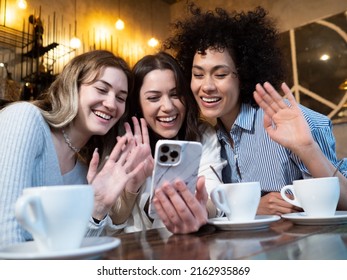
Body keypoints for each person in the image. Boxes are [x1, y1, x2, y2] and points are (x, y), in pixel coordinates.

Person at [162, 3, 347, 215]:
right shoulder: (213, 139)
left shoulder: (287, 121)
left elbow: (343, 204)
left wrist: (306, 148)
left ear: (244, 75)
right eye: (198, 74)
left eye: (220, 74)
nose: (207, 86)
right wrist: (253, 208)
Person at [0, 50, 151, 248]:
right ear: (73, 86)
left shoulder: (84, 172)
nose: (111, 104)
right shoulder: (25, 118)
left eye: (120, 98)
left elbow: (72, 250)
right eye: (101, 89)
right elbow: (5, 233)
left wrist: (98, 208)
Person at [109, 52, 224, 234]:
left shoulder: (202, 134)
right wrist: (135, 189)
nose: (168, 106)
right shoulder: (122, 141)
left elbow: (213, 193)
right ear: (138, 104)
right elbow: (114, 219)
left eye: (176, 94)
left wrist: (203, 208)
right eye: (154, 98)